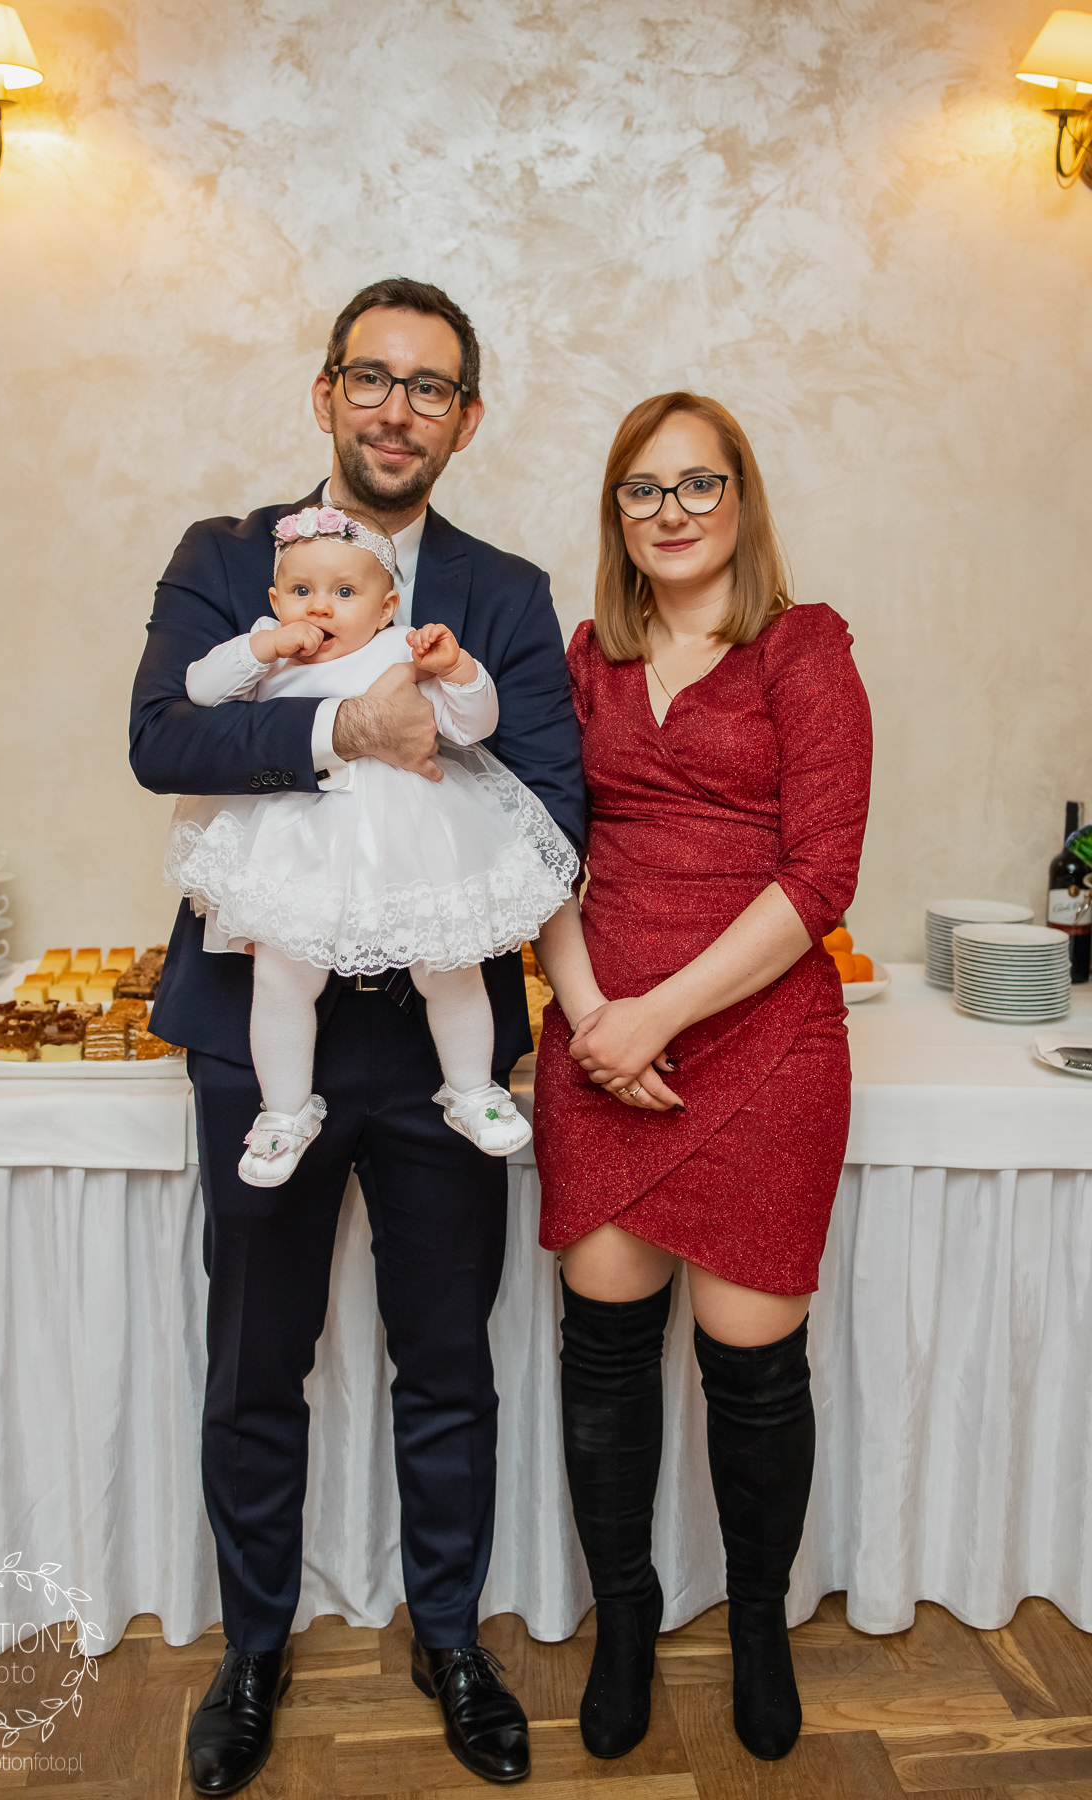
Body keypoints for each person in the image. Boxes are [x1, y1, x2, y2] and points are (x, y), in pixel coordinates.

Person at [130, 278, 584, 1791]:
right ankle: (253, 1653)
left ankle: (450, 1641)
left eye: (431, 387)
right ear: (324, 394)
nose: (399, 409)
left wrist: (437, 728)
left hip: (441, 1037)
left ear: (468, 419)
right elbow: (164, 738)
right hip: (262, 1027)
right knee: (257, 1360)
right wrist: (343, 729)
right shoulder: (227, 559)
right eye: (373, 378)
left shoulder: (503, 594)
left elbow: (556, 800)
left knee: (448, 1359)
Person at [532, 391, 872, 1764]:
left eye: (697, 484)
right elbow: (534, 849)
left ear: (742, 498)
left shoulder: (804, 648)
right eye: (642, 489)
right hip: (597, 1037)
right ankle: (624, 1624)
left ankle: (757, 1627)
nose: (669, 512)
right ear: (615, 512)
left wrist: (655, 1017)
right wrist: (589, 1017)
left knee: (756, 1371)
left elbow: (821, 876)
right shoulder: (584, 660)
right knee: (607, 1358)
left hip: (763, 1046)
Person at [166, 502, 575, 1180]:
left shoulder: (404, 650)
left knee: (448, 966)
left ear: (385, 609)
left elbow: (473, 726)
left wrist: (458, 669)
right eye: (301, 590)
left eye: (344, 592)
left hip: (409, 845)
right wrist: (262, 647)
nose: (320, 607)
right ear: (275, 599)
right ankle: (284, 1112)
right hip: (301, 847)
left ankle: (472, 1089)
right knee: (281, 977)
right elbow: (199, 692)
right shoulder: (267, 653)